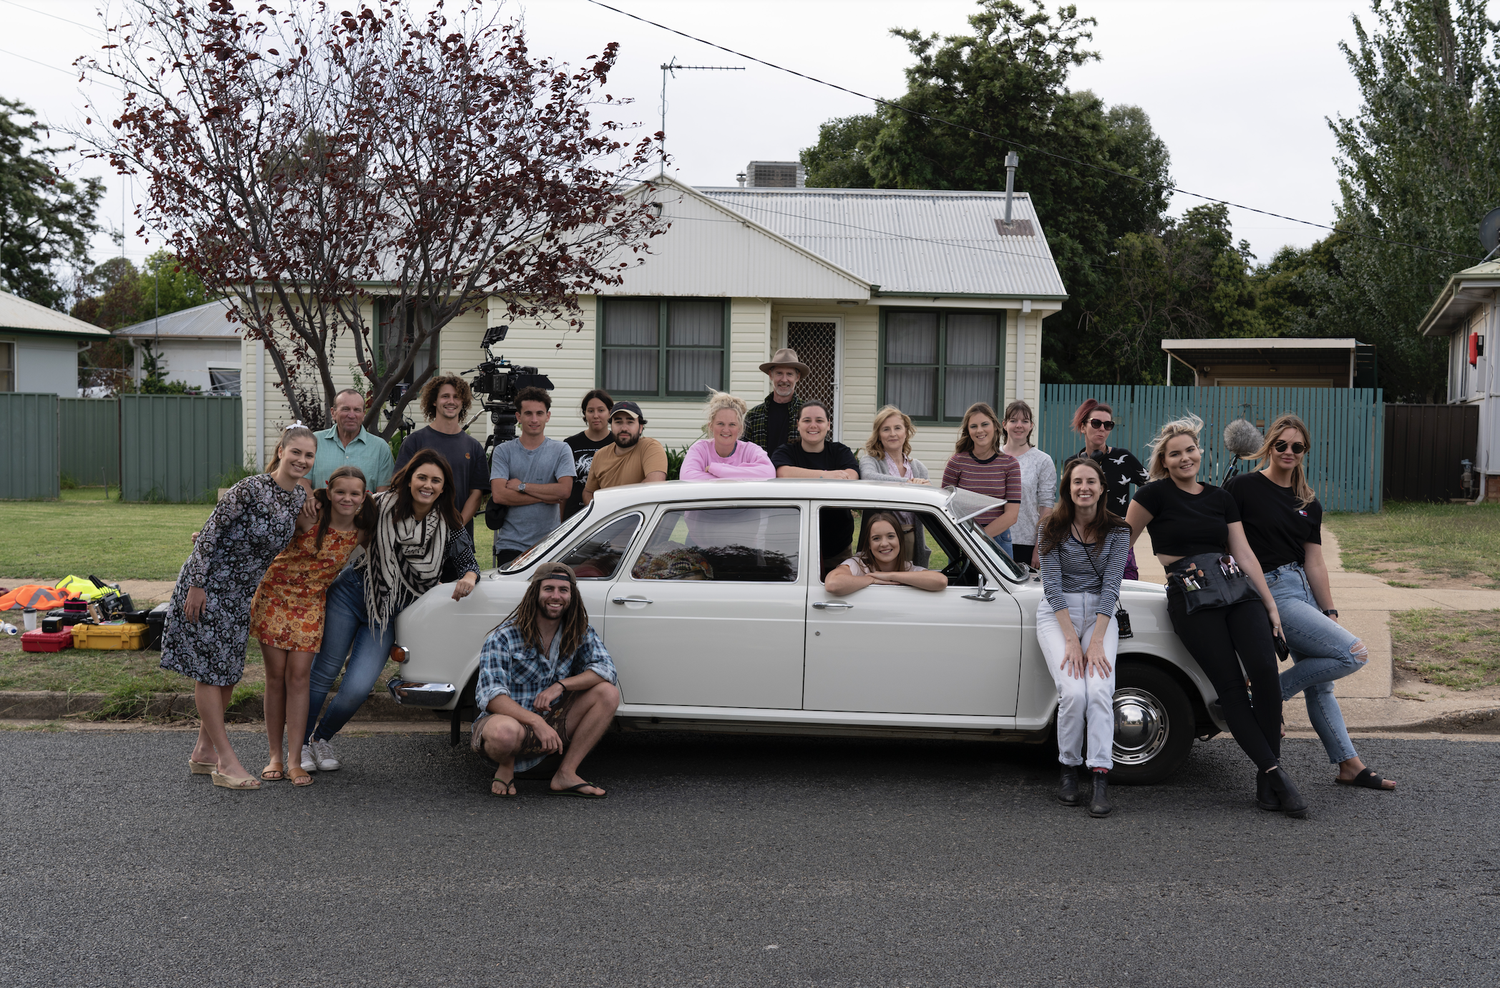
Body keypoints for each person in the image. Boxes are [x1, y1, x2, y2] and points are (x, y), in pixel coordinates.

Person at [1125, 414, 1308, 817]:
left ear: (1200, 451)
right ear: (1165, 461)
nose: (1185, 458)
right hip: (1191, 597)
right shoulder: (1152, 495)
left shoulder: (1221, 497)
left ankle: (1266, 777)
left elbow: (1243, 553)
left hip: (1236, 589)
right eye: (1176, 454)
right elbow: (1122, 540)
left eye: (1190, 449)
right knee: (1228, 686)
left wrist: (1270, 604)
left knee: (1263, 674)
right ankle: (1275, 775)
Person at [1225, 414, 1393, 793]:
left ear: (1305, 451)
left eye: (1296, 447)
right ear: (1269, 446)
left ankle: (1349, 765)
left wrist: (1328, 610)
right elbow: (1230, 544)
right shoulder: (1243, 488)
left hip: (1302, 592)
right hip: (1269, 590)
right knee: (1352, 653)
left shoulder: (1308, 503)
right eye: (1281, 445)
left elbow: (1314, 561)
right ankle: (1266, 694)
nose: (1288, 452)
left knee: (1323, 686)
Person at [302, 448, 480, 773]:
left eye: (435, 480)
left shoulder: (450, 523)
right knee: (324, 674)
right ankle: (299, 744)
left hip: (388, 614)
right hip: (351, 594)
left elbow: (469, 562)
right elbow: (342, 507)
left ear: (444, 487)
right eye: (422, 477)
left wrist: (469, 577)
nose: (427, 484)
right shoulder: (381, 505)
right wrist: (316, 497)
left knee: (356, 688)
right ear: (410, 478)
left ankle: (320, 738)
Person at [161, 425, 315, 791]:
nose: (301, 460)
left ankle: (203, 750)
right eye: (296, 452)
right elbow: (210, 533)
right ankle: (226, 762)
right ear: (281, 451)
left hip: (240, 595)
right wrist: (197, 584)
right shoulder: (250, 488)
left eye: (308, 456)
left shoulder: (295, 499)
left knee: (227, 676)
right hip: (207, 587)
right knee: (209, 673)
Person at [249, 466, 375, 786]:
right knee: (276, 678)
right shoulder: (309, 516)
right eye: (340, 492)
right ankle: (275, 756)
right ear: (329, 491)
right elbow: (262, 530)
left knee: (300, 677)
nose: (347, 498)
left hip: (311, 606)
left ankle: (295, 759)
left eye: (355, 493)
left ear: (363, 497)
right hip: (274, 598)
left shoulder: (363, 528)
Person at [472, 562, 621, 798]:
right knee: (504, 732)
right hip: (510, 726)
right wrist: (536, 722)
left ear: (572, 596)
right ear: (535, 593)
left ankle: (566, 774)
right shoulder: (503, 637)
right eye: (548, 588)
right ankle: (506, 765)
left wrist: (560, 686)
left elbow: (607, 670)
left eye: (563, 590)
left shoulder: (578, 630)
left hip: (554, 722)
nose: (556, 596)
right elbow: (491, 696)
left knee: (608, 692)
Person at [1035, 458, 1130, 818]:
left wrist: (1094, 640)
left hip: (1101, 617)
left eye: (1091, 481)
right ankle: (1069, 768)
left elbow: (1112, 587)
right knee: (1073, 691)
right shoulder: (1052, 527)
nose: (1084, 488)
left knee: (1101, 690)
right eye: (1077, 482)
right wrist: (1072, 640)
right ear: (1068, 488)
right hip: (1058, 614)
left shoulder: (1119, 530)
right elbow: (1052, 587)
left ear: (1102, 488)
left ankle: (1101, 774)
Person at [489, 387, 575, 568]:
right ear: (518, 417)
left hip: (550, 543)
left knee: (547, 596)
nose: (534, 419)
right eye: (528, 413)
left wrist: (522, 487)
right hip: (510, 544)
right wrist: (547, 495)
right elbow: (499, 495)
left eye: (539, 413)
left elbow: (564, 491)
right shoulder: (503, 451)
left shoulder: (561, 450)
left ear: (548, 416)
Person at [394, 374, 489, 537]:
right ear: (434, 401)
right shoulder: (414, 441)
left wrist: (457, 525)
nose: (451, 401)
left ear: (463, 402)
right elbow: (400, 486)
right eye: (445, 396)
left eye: (456, 397)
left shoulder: (473, 447)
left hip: (459, 536)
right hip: (417, 535)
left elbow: (476, 493)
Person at [771, 400, 860, 573]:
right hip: (791, 546)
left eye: (819, 420)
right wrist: (826, 475)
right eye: (806, 420)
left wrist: (806, 475)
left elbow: (851, 476)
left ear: (828, 425)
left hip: (838, 546)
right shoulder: (786, 451)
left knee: (836, 594)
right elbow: (782, 473)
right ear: (798, 425)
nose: (813, 425)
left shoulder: (840, 451)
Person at [1066, 398, 1149, 580]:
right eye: (1096, 423)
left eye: (1107, 424)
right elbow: (1067, 504)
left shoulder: (1124, 457)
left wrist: (1134, 518)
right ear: (1082, 427)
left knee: (1126, 587)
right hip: (1082, 538)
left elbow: (1151, 487)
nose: (1102, 428)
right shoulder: (1072, 464)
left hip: (1117, 538)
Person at [940, 402, 1020, 558]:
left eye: (985, 424)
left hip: (998, 540)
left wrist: (978, 538)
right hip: (962, 538)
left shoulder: (1010, 464)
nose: (980, 430)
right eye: (973, 426)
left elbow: (1011, 515)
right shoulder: (956, 463)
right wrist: (967, 539)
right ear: (968, 431)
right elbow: (945, 507)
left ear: (996, 427)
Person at [857, 405, 932, 566]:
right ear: (878, 434)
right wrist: (910, 484)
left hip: (913, 538)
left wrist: (925, 487)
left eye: (897, 428)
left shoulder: (919, 468)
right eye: (886, 429)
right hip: (883, 541)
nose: (892, 434)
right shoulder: (870, 461)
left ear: (906, 432)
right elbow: (869, 478)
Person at [823, 511, 947, 596]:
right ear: (869, 545)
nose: (884, 543)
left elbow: (940, 581)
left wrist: (890, 576)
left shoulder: (907, 567)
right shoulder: (858, 563)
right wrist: (871, 579)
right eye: (876, 538)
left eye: (891, 536)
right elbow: (833, 584)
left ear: (900, 540)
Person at [1000, 399, 1057, 569]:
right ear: (1004, 424)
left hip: (1026, 542)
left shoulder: (1042, 461)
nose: (1019, 425)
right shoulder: (993, 457)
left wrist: (1039, 547)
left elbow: (1046, 507)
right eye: (1013, 420)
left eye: (1024, 421)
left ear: (1031, 425)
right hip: (994, 539)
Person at [580, 401, 669, 504]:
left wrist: (615, 508)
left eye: (630, 422)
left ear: (640, 427)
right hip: (607, 518)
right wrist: (598, 512)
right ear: (611, 426)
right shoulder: (600, 455)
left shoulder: (650, 447)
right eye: (618, 422)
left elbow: (654, 485)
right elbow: (588, 492)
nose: (624, 428)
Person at [680, 391, 776, 481]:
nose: (726, 430)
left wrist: (719, 470)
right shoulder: (700, 449)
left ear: (740, 428)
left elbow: (769, 473)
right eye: (720, 423)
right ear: (711, 426)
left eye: (732, 424)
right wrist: (740, 476)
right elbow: (687, 476)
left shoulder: (750, 450)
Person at [310, 389, 394, 492]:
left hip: (364, 508)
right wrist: (311, 501)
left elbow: (384, 492)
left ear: (363, 414)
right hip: (321, 508)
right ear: (333, 413)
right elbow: (302, 480)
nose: (351, 415)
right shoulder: (314, 442)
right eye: (345, 409)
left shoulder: (380, 448)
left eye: (357, 410)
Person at [743, 347, 809, 455]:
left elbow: (821, 450)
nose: (784, 379)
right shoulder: (753, 416)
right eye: (779, 373)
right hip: (761, 471)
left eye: (789, 374)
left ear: (797, 377)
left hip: (796, 472)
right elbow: (742, 452)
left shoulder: (809, 413)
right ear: (770, 375)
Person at [561, 388, 614, 520]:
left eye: (601, 410)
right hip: (574, 515)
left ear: (610, 412)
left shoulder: (618, 443)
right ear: (585, 413)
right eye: (591, 411)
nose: (596, 415)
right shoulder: (570, 444)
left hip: (609, 515)